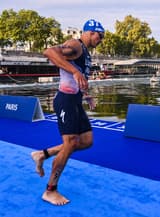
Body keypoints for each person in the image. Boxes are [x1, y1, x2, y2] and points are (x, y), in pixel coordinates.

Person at [30, 19, 105, 205]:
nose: (101, 39)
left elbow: (80, 78)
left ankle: (43, 154)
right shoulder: (75, 45)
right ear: (89, 32)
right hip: (65, 101)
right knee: (70, 142)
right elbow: (49, 52)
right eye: (99, 35)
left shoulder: (86, 53)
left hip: (75, 101)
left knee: (86, 141)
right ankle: (50, 190)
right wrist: (75, 71)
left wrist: (86, 95)